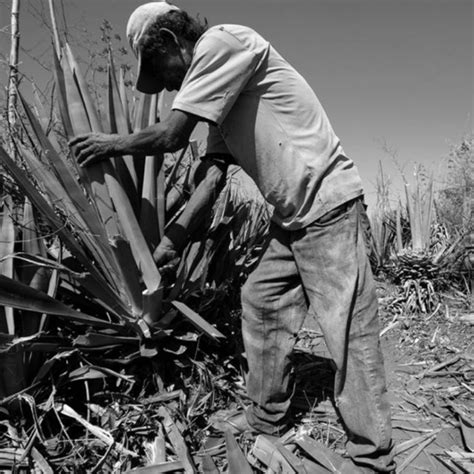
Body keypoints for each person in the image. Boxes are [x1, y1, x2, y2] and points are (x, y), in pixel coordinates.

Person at [70, 2, 395, 472]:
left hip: (327, 204)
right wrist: (170, 246)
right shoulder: (223, 99)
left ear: (169, 41)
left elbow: (171, 137)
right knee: (262, 301)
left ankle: (372, 456)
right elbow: (210, 179)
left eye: (158, 71)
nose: (165, 86)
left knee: (345, 327)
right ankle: (267, 418)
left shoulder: (225, 42)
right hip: (292, 217)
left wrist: (111, 143)